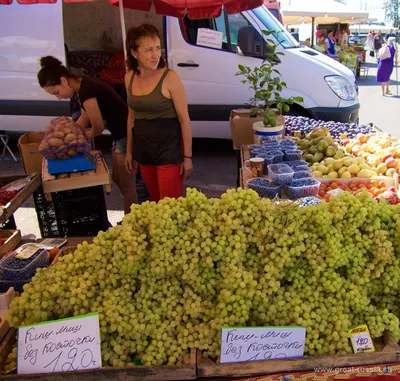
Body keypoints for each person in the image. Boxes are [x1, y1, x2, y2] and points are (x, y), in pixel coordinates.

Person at [37, 56, 138, 214]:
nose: (58, 97)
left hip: (128, 136)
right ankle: (131, 218)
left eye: (56, 92)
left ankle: (132, 224)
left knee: (127, 185)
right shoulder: (82, 84)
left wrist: (77, 140)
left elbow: (97, 126)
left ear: (63, 80)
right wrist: (68, 133)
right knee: (118, 179)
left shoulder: (86, 90)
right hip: (120, 135)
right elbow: (84, 117)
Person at [124, 24, 193, 202]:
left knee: (169, 208)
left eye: (157, 48)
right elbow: (132, 117)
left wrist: (187, 157)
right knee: (155, 204)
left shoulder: (170, 77)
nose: (156, 55)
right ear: (134, 53)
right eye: (148, 50)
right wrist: (129, 152)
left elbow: (184, 119)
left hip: (168, 152)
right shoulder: (129, 77)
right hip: (144, 151)